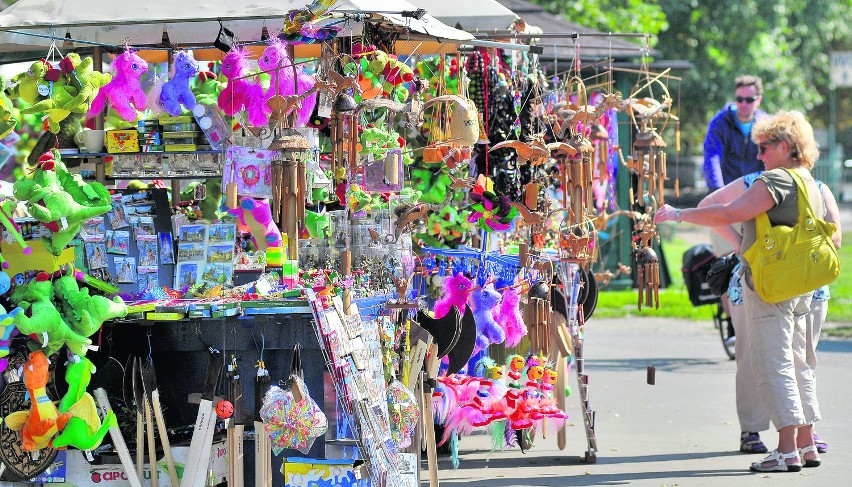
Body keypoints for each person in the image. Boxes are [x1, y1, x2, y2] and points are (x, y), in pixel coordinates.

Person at [656, 111, 837, 472]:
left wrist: (678, 214)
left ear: (785, 146)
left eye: (765, 147)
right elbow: (834, 235)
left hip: (771, 286)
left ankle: (786, 450)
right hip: (803, 286)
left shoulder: (775, 181)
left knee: (774, 364)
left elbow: (726, 212)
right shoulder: (811, 182)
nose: (760, 155)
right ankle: (806, 444)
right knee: (801, 363)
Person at [699, 171, 841, 456]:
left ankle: (803, 433)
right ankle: (753, 429)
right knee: (755, 359)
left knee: (800, 360)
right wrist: (741, 246)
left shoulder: (818, 186)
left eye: (766, 146)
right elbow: (709, 208)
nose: (761, 154)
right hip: (761, 283)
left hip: (805, 288)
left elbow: (835, 238)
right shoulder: (755, 181)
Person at [703, 75, 767, 194]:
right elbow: (712, 158)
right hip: (726, 192)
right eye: (739, 99)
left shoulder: (766, 125)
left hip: (756, 195)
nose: (743, 104)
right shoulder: (719, 123)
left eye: (749, 100)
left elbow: (772, 160)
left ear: (758, 100)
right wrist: (717, 192)